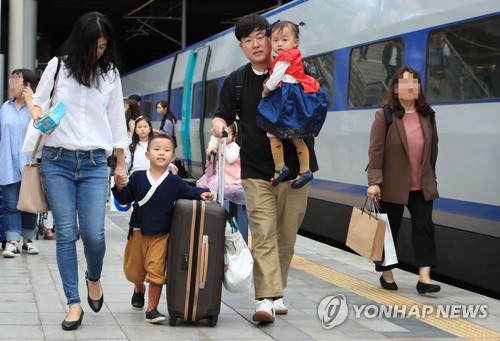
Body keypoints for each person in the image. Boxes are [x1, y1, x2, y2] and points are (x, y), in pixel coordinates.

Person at [211, 13, 318, 323]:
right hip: (256, 170)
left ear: (272, 39)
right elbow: (222, 115)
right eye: (248, 40)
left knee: (286, 235)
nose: (256, 44)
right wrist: (220, 125)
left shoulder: (293, 71)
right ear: (241, 46)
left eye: (261, 36)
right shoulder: (236, 81)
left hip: (296, 170)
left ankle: (277, 292)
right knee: (263, 234)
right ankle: (265, 300)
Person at [29, 12, 129, 330]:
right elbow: (39, 102)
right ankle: (73, 303)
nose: (96, 52)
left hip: (95, 164)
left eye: (101, 47)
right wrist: (37, 115)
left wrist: (122, 160)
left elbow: (116, 119)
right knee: (66, 234)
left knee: (95, 236)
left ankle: (93, 277)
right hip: (57, 160)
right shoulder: (59, 67)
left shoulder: (110, 74)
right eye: (91, 46)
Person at [112, 134, 213, 324]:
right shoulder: (138, 177)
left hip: (161, 234)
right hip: (138, 232)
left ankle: (152, 309)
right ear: (147, 154)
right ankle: (138, 288)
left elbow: (189, 192)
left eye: (166, 150)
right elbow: (125, 198)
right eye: (157, 149)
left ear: (173, 157)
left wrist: (202, 193)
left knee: (156, 271)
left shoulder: (174, 181)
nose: (161, 153)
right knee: (134, 270)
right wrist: (119, 187)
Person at [366, 66, 441, 295]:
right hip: (392, 184)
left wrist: (431, 177)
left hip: (421, 185)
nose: (410, 87)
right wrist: (374, 181)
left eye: (414, 82)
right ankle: (386, 273)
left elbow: (433, 148)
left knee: (424, 228)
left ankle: (424, 278)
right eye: (405, 83)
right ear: (396, 88)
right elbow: (376, 150)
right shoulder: (385, 115)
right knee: (389, 230)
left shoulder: (428, 115)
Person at [257, 20, 327, 189]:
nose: (279, 44)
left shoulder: (284, 59)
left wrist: (265, 90)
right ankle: (304, 170)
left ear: (295, 42)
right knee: (296, 136)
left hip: (288, 99)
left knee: (271, 130)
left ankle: (280, 168)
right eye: (275, 40)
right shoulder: (294, 54)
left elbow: (275, 80)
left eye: (284, 40)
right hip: (294, 98)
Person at [0, 69, 40, 258]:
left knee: (29, 204)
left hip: (28, 164)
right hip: (7, 163)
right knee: (10, 205)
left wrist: (32, 104)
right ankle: (12, 242)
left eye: (16, 81)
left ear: (27, 86)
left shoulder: (35, 109)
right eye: (11, 80)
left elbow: (43, 129)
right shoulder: (4, 108)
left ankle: (28, 240)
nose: (12, 84)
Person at [197, 123, 245, 205]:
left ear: (233, 136)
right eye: (221, 134)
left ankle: (218, 205)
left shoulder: (234, 146)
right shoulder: (220, 146)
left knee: (215, 185)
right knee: (210, 185)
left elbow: (231, 159)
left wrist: (221, 146)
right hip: (221, 176)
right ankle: (212, 204)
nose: (222, 137)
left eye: (226, 134)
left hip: (231, 178)